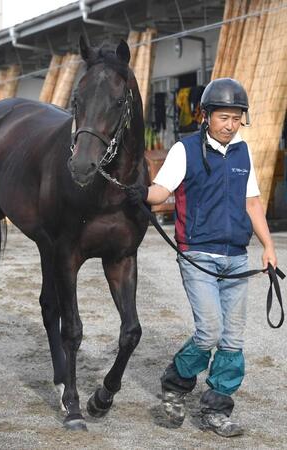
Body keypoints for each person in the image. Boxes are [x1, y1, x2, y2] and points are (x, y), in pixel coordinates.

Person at [127, 78, 277, 437]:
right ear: (206, 115)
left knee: (233, 339)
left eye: (236, 117)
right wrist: (137, 192)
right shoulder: (185, 150)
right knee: (209, 330)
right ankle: (177, 383)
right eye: (223, 117)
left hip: (237, 259)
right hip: (199, 256)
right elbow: (162, 191)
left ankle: (217, 408)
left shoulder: (243, 152)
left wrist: (269, 247)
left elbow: (252, 202)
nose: (230, 124)